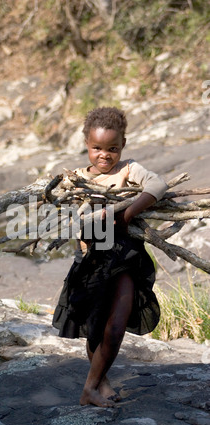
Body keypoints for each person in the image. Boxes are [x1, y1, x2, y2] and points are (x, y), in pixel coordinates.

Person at [52, 106, 168, 408]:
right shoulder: (75, 180)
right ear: (87, 146)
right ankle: (98, 383)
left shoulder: (128, 170)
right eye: (97, 148)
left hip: (125, 257)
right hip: (91, 260)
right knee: (94, 325)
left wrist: (126, 213)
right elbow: (68, 218)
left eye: (112, 149)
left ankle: (89, 388)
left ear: (122, 146)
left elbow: (158, 184)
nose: (105, 155)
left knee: (116, 326)